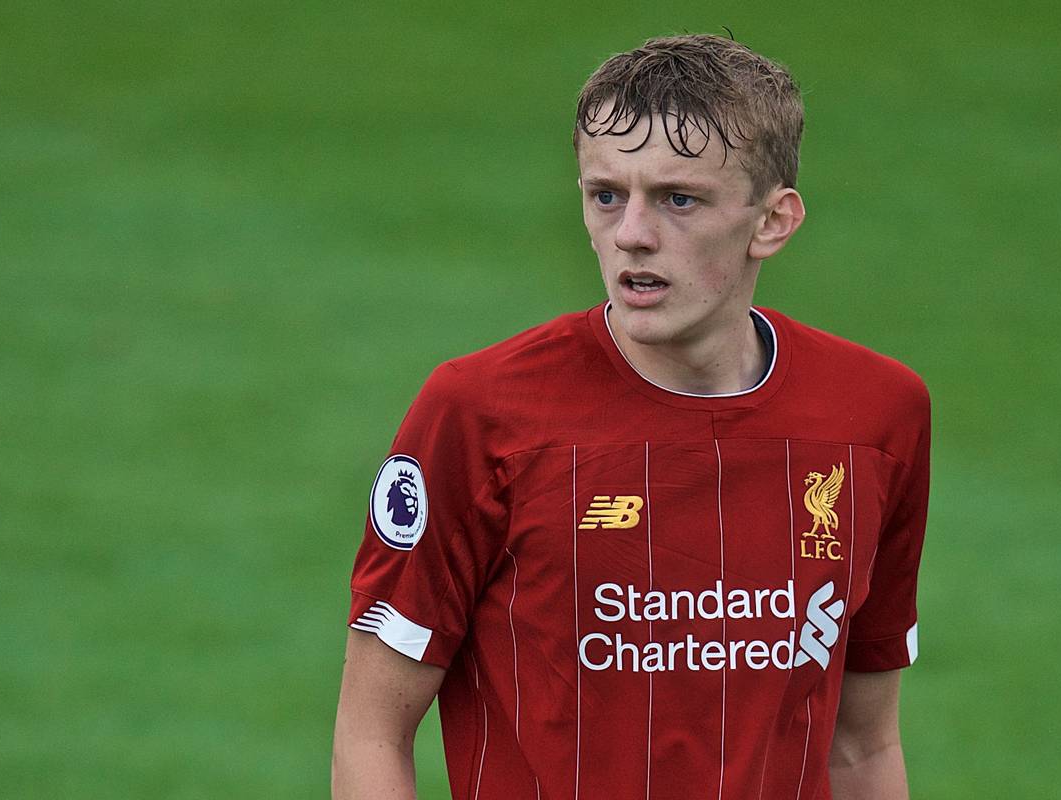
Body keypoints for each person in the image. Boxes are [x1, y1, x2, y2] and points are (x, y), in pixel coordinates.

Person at [332, 33, 930, 800]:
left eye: (679, 199)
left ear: (773, 222)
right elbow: (372, 730)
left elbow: (862, 748)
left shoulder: (875, 415)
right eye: (605, 194)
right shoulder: (480, 413)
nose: (631, 234)